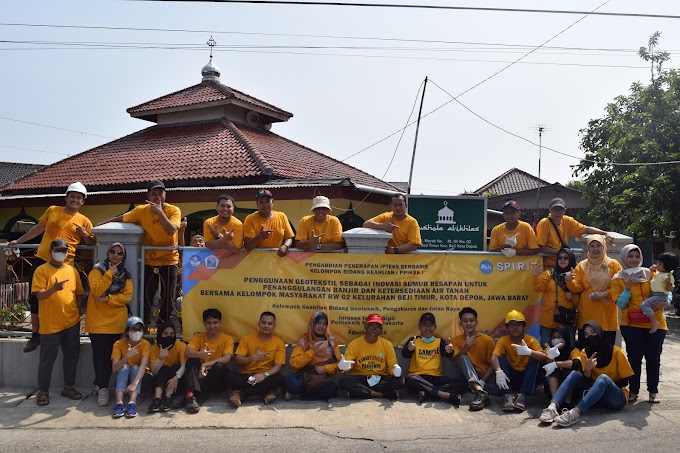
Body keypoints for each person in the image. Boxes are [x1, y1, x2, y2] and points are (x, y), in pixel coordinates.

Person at [7, 182, 94, 353]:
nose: (75, 200)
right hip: (42, 261)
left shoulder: (85, 221)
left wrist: (85, 236)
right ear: (66, 198)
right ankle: (35, 335)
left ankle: (62, 333)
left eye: (79, 198)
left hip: (65, 266)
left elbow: (92, 243)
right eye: (72, 196)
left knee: (61, 300)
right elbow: (38, 228)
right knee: (35, 299)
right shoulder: (53, 210)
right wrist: (18, 241)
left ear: (82, 202)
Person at [99, 180, 181, 328]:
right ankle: (143, 326)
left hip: (169, 260)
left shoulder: (174, 210)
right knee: (146, 295)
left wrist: (160, 212)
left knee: (168, 297)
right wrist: (98, 227)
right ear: (148, 196)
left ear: (165, 194)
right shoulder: (141, 210)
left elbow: (171, 230)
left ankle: (163, 327)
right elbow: (121, 218)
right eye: (153, 194)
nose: (157, 197)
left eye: (160, 193)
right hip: (149, 260)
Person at [539, 321, 633, 427]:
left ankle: (574, 413)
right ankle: (552, 408)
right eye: (586, 334)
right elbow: (586, 380)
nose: (590, 336)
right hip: (595, 397)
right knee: (574, 374)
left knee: (603, 379)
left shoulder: (617, 352)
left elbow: (625, 381)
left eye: (593, 332)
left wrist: (602, 385)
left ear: (599, 333)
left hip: (616, 398)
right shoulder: (585, 352)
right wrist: (587, 370)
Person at [612, 244, 671, 404]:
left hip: (656, 324)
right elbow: (621, 303)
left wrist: (666, 303)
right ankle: (634, 391)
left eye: (637, 256)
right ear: (624, 258)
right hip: (631, 325)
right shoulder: (618, 278)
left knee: (653, 359)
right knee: (634, 359)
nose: (633, 260)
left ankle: (653, 391)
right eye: (630, 256)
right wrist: (628, 288)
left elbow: (667, 292)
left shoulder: (651, 273)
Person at [32, 238, 85, 407]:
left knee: (71, 357)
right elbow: (39, 295)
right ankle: (43, 391)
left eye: (64, 250)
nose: (61, 252)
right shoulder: (42, 270)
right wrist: (53, 289)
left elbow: (78, 292)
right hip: (50, 323)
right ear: (51, 251)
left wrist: (78, 309)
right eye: (58, 249)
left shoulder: (72, 270)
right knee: (47, 359)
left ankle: (68, 387)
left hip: (71, 322)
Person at [85, 242, 133, 407]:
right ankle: (103, 389)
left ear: (123, 257)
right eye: (112, 251)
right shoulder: (97, 270)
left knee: (111, 357)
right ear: (107, 253)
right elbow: (97, 290)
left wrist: (107, 299)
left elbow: (126, 297)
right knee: (100, 357)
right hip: (98, 323)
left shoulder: (126, 275)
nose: (115, 254)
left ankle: (100, 384)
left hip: (116, 323)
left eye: (120, 252)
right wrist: (109, 274)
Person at [566, 235, 622, 346]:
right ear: (588, 248)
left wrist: (605, 293)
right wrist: (569, 280)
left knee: (606, 353)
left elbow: (621, 287)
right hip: (587, 314)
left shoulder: (613, 265)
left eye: (598, 245)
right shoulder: (582, 266)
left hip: (607, 316)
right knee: (586, 351)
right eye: (592, 246)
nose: (595, 249)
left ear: (604, 246)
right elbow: (577, 288)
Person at [401, 312, 466, 405]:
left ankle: (427, 393)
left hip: (436, 379)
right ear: (419, 327)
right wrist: (409, 348)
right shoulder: (414, 340)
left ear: (435, 327)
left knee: (463, 383)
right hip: (418, 377)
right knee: (410, 379)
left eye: (431, 325)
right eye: (424, 325)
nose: (428, 328)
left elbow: (447, 354)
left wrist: (449, 351)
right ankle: (443, 395)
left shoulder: (439, 341)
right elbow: (404, 354)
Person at [338, 313, 404, 400]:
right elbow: (346, 366)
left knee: (400, 381)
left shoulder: (387, 344)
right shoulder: (355, 344)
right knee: (344, 382)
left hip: (380, 378)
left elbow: (392, 366)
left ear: (381, 329)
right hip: (361, 378)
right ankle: (381, 395)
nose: (374, 331)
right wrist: (341, 367)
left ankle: (360, 393)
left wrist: (396, 372)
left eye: (377, 328)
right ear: (365, 327)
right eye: (371, 327)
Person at [491, 310, 548, 412]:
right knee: (500, 359)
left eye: (518, 325)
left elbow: (543, 357)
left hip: (527, 377)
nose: (515, 328)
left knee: (535, 359)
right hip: (511, 377)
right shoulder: (504, 340)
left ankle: (523, 396)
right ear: (507, 328)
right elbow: (494, 356)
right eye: (512, 325)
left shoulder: (531, 340)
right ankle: (507, 395)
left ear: (524, 327)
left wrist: (530, 352)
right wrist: (498, 371)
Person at [536, 197, 615, 268]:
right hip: (549, 265)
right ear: (549, 210)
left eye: (560, 209)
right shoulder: (544, 223)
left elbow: (586, 229)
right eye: (554, 209)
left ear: (564, 210)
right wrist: (562, 253)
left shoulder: (567, 221)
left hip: (565, 264)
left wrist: (605, 233)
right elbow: (540, 247)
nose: (557, 212)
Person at [228, 311, 286, 407]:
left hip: (266, 377)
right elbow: (237, 361)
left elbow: (279, 366)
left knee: (280, 378)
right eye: (263, 323)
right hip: (248, 377)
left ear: (274, 326)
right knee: (229, 376)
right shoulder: (247, 339)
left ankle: (240, 394)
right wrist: (253, 357)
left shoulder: (279, 342)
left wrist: (264, 375)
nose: (266, 326)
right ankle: (267, 392)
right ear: (258, 324)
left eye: (270, 323)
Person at [183, 308, 234, 414]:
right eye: (209, 323)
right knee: (192, 360)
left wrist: (205, 364)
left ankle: (193, 396)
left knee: (219, 366)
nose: (212, 326)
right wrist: (199, 354)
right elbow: (187, 352)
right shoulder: (198, 337)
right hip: (201, 377)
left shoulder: (228, 339)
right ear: (204, 324)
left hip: (218, 382)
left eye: (215, 322)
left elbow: (227, 358)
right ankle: (192, 396)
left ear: (220, 323)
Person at [284, 311, 340, 401]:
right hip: (304, 375)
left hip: (320, 379)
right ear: (312, 324)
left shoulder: (331, 340)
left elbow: (339, 363)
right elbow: (294, 363)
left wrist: (326, 368)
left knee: (333, 389)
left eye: (324, 324)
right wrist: (311, 351)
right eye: (318, 323)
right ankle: (303, 392)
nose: (321, 327)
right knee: (294, 384)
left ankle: (299, 396)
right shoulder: (304, 340)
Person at [450, 307, 496, 411]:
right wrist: (466, 347)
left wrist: (483, 381)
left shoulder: (486, 340)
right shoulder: (455, 340)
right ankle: (480, 392)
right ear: (460, 323)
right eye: (465, 321)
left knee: (500, 388)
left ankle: (476, 388)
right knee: (463, 357)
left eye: (471, 320)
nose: (468, 324)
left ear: (476, 323)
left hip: (485, 377)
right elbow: (455, 362)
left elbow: (494, 364)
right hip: (468, 375)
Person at [531, 247, 578, 346]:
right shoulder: (550, 274)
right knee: (546, 347)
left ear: (571, 259)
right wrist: (535, 276)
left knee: (569, 347)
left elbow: (580, 297)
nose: (562, 260)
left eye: (566, 258)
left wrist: (572, 296)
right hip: (549, 319)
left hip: (567, 319)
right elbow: (538, 288)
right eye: (560, 257)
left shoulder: (577, 274)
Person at [111, 316, 151, 418]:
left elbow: (143, 365)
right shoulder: (118, 344)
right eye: (134, 329)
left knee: (135, 368)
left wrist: (134, 384)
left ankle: (132, 403)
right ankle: (119, 403)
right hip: (122, 378)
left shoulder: (145, 344)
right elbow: (115, 368)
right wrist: (127, 356)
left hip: (139, 379)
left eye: (140, 329)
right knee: (125, 366)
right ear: (127, 331)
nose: (137, 332)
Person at [539, 326, 582, 418]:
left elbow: (576, 363)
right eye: (554, 337)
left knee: (568, 371)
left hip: (572, 391)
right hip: (551, 388)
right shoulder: (550, 349)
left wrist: (556, 364)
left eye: (559, 337)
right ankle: (555, 403)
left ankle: (567, 403)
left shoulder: (573, 350)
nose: (556, 340)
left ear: (565, 338)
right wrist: (550, 357)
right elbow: (544, 362)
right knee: (553, 370)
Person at [147, 321, 187, 412]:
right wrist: (160, 358)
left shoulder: (181, 346)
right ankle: (157, 399)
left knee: (174, 367)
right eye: (165, 334)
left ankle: (167, 398)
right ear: (160, 334)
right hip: (159, 382)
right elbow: (154, 372)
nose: (169, 336)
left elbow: (184, 365)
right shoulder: (153, 349)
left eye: (172, 334)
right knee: (164, 368)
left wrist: (176, 378)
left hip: (176, 382)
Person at [243, 189, 294, 257]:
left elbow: (289, 237)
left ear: (272, 202)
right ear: (257, 204)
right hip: (256, 262)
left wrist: (285, 246)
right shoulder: (250, 219)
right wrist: (259, 237)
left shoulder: (282, 216)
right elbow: (248, 246)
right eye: (261, 202)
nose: (265, 205)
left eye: (267, 201)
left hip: (277, 261)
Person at [638, 252, 677, 333]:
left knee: (643, 305)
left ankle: (654, 321)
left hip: (660, 295)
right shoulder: (660, 273)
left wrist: (668, 282)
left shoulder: (668, 276)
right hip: (655, 294)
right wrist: (654, 267)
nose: (657, 265)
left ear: (666, 266)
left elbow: (668, 289)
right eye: (658, 263)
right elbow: (653, 269)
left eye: (660, 264)